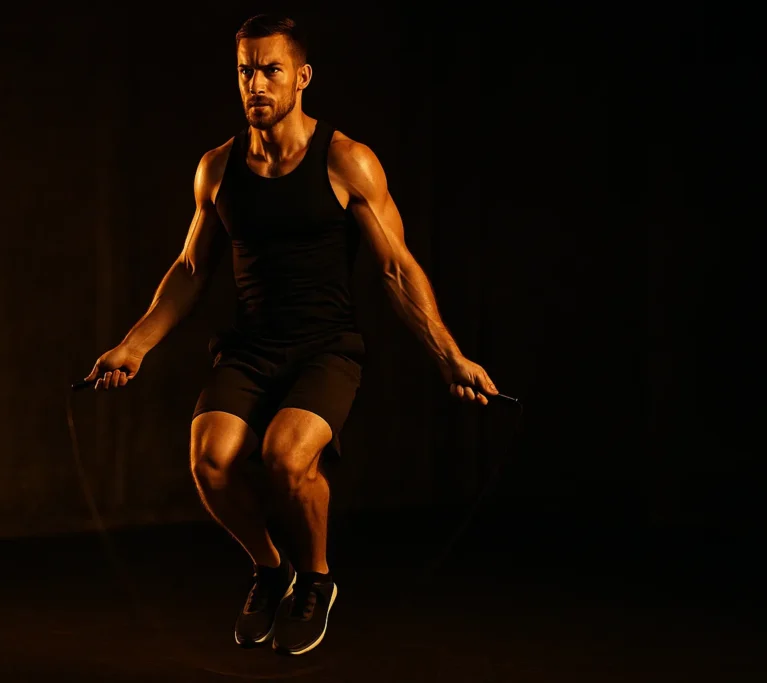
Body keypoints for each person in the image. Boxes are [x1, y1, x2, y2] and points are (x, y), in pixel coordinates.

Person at [84, 14, 500, 656]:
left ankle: (317, 581)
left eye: (270, 69)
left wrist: (449, 356)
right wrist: (133, 345)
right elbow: (192, 268)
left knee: (285, 455)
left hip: (326, 348)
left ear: (301, 77)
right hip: (250, 347)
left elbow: (396, 266)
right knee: (210, 460)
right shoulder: (218, 168)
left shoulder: (347, 161)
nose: (256, 83)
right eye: (246, 69)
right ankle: (270, 567)